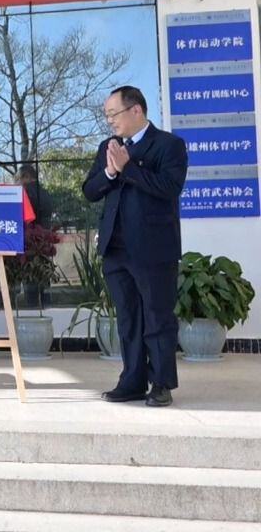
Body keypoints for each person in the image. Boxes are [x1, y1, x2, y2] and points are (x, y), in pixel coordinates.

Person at [82, 86, 187, 407]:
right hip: (115, 248)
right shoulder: (108, 147)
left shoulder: (169, 145)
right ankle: (132, 381)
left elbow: (169, 188)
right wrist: (110, 171)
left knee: (157, 317)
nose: (110, 121)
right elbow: (90, 190)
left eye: (113, 114)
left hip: (153, 248)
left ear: (136, 110)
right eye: (107, 116)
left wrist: (129, 168)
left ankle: (162, 383)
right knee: (128, 318)